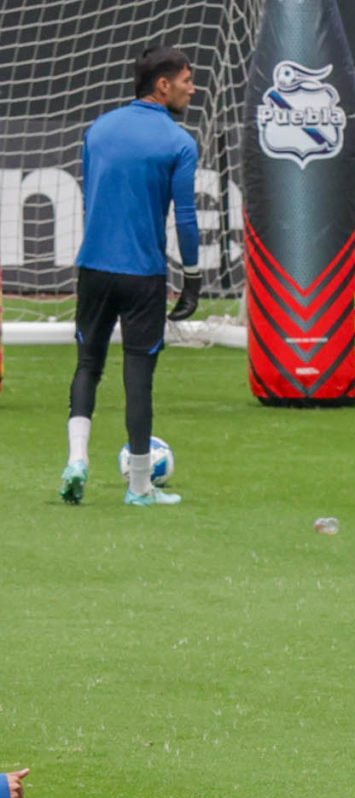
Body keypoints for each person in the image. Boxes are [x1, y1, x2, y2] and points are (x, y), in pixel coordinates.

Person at [62, 46, 201, 509]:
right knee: (138, 375)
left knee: (88, 365)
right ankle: (139, 487)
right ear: (162, 86)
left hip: (95, 267)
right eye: (186, 79)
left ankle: (76, 461)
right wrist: (194, 278)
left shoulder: (98, 129)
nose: (192, 88)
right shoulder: (179, 142)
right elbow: (185, 219)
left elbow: (92, 198)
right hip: (142, 274)